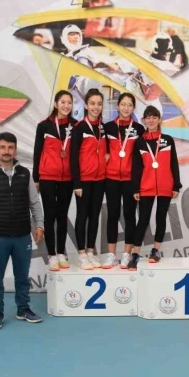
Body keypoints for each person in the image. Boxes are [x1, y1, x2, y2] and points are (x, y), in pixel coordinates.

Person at [0, 132, 44, 330]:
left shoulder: (25, 174)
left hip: (22, 236)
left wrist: (39, 225)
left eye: (10, 147)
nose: (7, 151)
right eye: (3, 147)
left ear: (15, 149)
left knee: (22, 277)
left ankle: (23, 309)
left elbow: (34, 202)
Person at [128, 106, 181, 269]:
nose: (151, 120)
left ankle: (155, 251)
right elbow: (136, 167)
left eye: (154, 117)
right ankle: (135, 254)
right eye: (148, 117)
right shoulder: (139, 142)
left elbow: (173, 163)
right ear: (144, 120)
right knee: (143, 220)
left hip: (165, 184)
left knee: (160, 217)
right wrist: (136, 188)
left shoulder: (168, 140)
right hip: (146, 185)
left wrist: (176, 185)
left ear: (159, 120)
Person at [33, 90, 76, 271]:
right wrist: (36, 178)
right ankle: (51, 255)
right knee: (50, 216)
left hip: (68, 178)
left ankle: (60, 253)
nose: (66, 105)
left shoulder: (75, 126)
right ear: (56, 104)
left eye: (69, 102)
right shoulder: (44, 126)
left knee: (62, 216)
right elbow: (37, 152)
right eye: (63, 102)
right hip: (48, 177)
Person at [103, 92, 145, 269]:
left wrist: (139, 181)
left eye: (129, 105)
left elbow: (142, 157)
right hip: (111, 177)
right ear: (117, 106)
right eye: (123, 104)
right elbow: (103, 150)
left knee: (129, 216)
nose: (126, 108)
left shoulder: (139, 129)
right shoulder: (108, 128)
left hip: (130, 179)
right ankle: (111, 255)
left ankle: (127, 254)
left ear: (133, 108)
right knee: (112, 215)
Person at [70, 89, 110, 270]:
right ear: (86, 105)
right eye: (92, 103)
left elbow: (106, 150)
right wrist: (76, 182)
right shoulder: (79, 128)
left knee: (95, 216)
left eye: (99, 104)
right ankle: (81, 254)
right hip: (84, 180)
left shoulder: (103, 127)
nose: (96, 107)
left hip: (100, 179)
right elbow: (73, 157)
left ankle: (91, 251)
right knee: (82, 216)